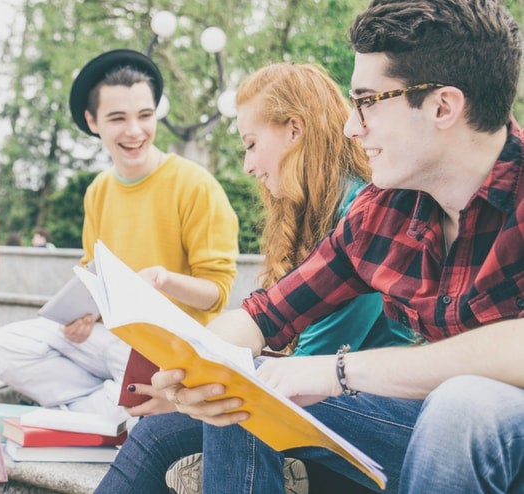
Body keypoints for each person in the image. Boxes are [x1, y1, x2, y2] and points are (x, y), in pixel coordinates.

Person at [152, 1, 524, 493]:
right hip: (435, 434)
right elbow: (265, 315)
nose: (351, 126)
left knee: (464, 407)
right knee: (251, 383)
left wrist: (339, 371)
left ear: (442, 107)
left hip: (489, 431)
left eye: (367, 100)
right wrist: (197, 370)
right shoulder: (384, 211)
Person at [95, 62, 416, 494]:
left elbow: (314, 361)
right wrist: (183, 387)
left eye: (251, 145)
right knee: (157, 433)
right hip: (332, 395)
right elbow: (264, 316)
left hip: (382, 406)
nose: (247, 165)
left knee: (244, 388)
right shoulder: (321, 215)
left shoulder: (366, 214)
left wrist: (200, 384)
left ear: (294, 130)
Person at [0, 49, 239, 417]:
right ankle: (98, 410)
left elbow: (215, 294)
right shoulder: (99, 190)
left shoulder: (195, 184)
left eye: (145, 116)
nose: (135, 131)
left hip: (165, 347)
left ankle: (83, 409)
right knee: (3, 346)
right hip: (110, 339)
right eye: (118, 118)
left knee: (135, 388)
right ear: (93, 121)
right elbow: (94, 272)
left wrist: (163, 279)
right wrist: (84, 313)